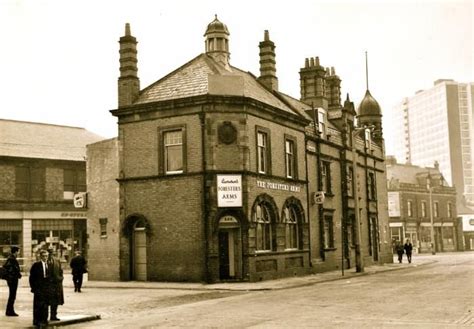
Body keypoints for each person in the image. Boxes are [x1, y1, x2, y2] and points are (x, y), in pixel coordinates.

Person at [29, 250, 50, 327]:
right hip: (38, 288)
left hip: (46, 288)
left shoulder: (48, 265)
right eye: (44, 256)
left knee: (45, 305)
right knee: (38, 305)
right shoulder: (36, 265)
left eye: (46, 256)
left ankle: (44, 319)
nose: (45, 258)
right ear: (40, 256)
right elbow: (32, 277)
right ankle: (37, 320)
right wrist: (33, 287)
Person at [3, 246, 22, 316]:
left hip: (11, 279)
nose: (19, 253)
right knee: (12, 296)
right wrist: (18, 274)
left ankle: (10, 310)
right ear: (15, 252)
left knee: (12, 295)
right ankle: (10, 311)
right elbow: (12, 269)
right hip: (12, 280)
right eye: (18, 251)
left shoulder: (11, 258)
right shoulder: (12, 259)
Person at [47, 248, 64, 321]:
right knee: (47, 301)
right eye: (49, 253)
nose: (51, 254)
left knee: (55, 301)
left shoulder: (57, 260)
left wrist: (60, 278)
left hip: (56, 283)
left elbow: (60, 271)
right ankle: (45, 316)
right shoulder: (44, 261)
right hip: (48, 284)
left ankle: (53, 315)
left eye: (52, 252)